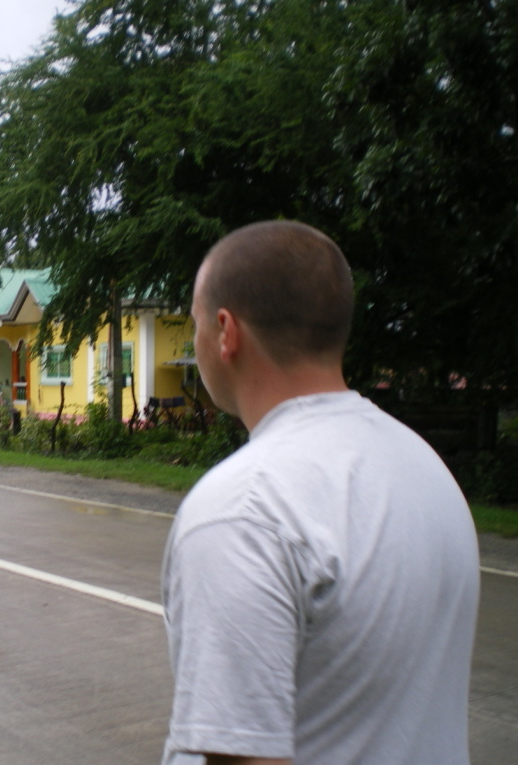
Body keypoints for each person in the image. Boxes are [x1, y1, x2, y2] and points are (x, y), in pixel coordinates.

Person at [161, 220, 480, 765]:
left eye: (193, 324)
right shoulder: (425, 468)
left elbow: (244, 756)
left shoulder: (243, 511)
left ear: (225, 331)